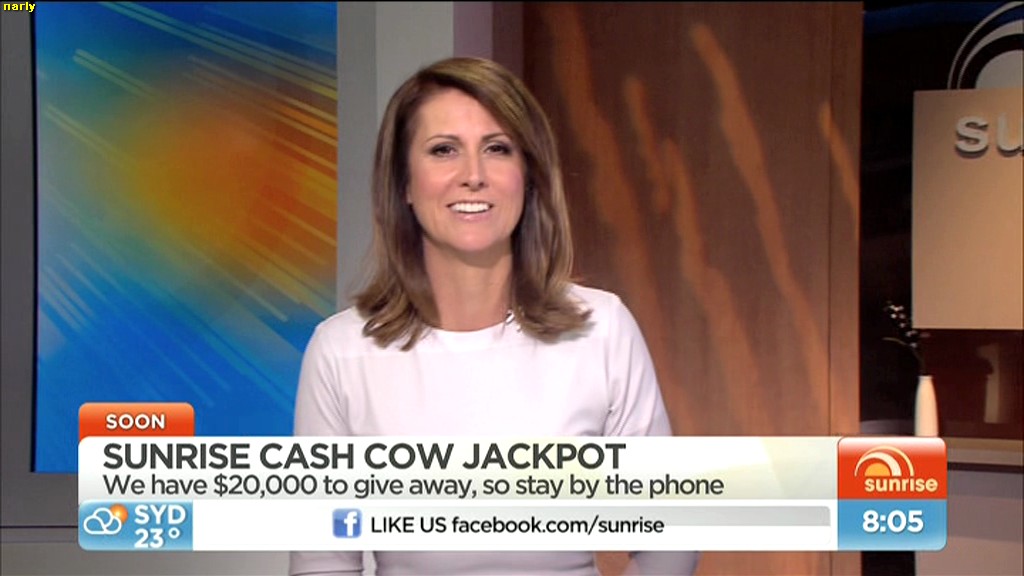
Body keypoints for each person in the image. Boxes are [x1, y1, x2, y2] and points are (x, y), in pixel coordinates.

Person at [290, 57, 699, 576]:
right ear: (404, 185)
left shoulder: (601, 329)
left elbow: (667, 537)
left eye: (497, 149)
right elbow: (324, 560)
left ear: (528, 177)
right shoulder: (342, 351)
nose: (473, 176)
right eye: (444, 150)